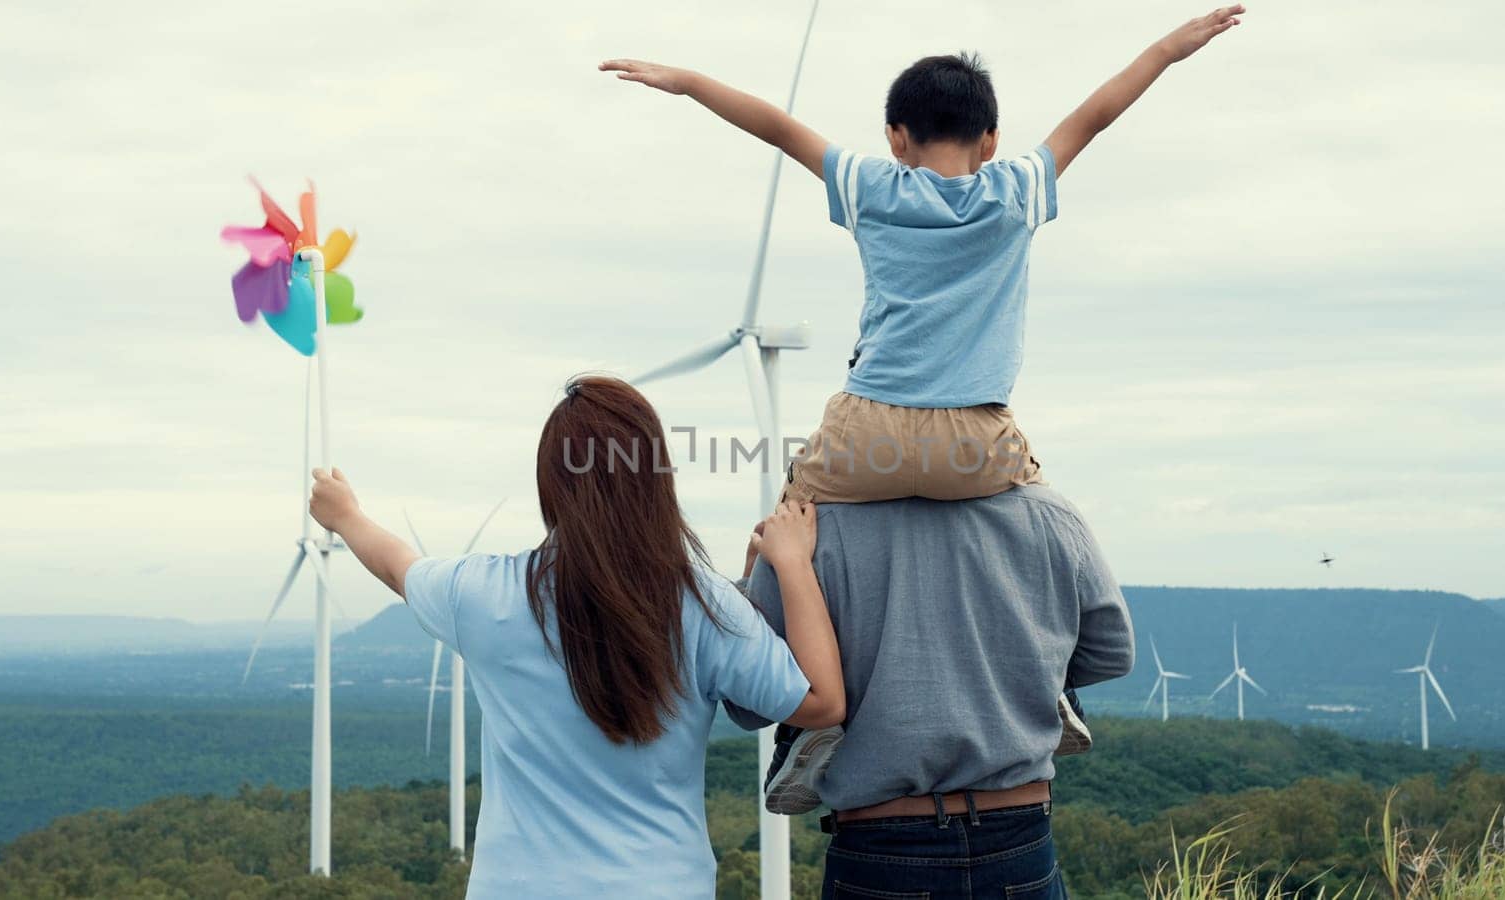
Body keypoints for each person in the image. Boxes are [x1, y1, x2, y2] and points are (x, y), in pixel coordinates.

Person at [601, 5, 1245, 504]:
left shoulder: (871, 186)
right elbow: (1095, 115)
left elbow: (776, 125)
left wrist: (685, 81)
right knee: (1050, 532)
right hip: (976, 441)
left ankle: (771, 655)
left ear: (895, 138)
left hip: (867, 433)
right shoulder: (1016, 191)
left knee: (779, 535)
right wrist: (1167, 50)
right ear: (990, 140)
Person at [305, 375, 844, 899]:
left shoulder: (484, 593)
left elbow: (400, 567)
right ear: (656, 476)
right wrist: (792, 563)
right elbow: (821, 701)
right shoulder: (703, 603)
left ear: (551, 485)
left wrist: (346, 516)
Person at [731, 487, 1134, 898]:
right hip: (1020, 833)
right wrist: (1020, 676)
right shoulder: (1049, 513)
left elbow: (749, 704)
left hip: (882, 848)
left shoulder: (807, 528)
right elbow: (1112, 654)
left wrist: (752, 586)